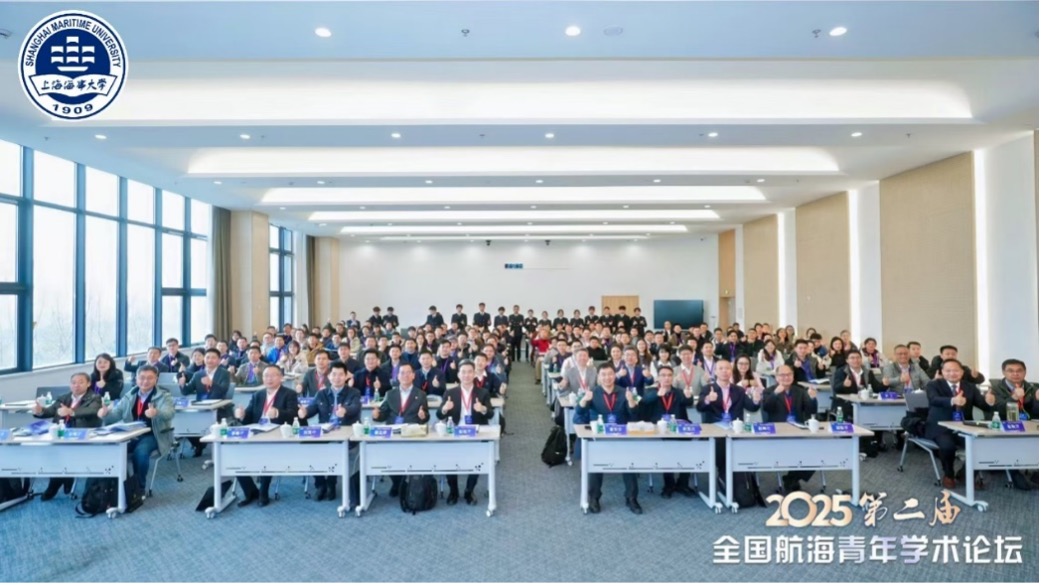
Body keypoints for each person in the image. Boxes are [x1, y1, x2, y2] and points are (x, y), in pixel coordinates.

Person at [573, 363, 643, 514]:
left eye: (610, 374)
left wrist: (631, 402)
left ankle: (631, 498)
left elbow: (634, 416)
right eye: (603, 375)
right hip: (599, 437)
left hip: (621, 436)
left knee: (629, 465)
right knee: (595, 466)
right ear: (598, 377)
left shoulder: (624, 392)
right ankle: (594, 498)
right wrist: (584, 400)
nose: (607, 378)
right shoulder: (592, 392)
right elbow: (579, 413)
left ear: (614, 375)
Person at [97, 365, 176, 495]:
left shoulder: (164, 396)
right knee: (111, 450)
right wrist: (105, 414)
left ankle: (139, 489)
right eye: (142, 378)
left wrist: (156, 412)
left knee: (141, 453)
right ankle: (115, 487)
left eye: (150, 378)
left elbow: (169, 413)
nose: (145, 381)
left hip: (153, 435)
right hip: (131, 434)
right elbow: (115, 416)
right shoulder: (129, 395)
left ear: (156, 379)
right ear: (136, 379)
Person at [296, 361, 362, 504]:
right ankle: (321, 484)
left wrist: (345, 410)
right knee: (310, 448)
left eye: (340, 375)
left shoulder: (354, 392)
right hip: (325, 434)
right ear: (329, 377)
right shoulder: (321, 393)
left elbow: (355, 407)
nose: (337, 378)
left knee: (340, 451)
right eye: (334, 374)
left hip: (345, 435)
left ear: (346, 376)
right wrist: (304, 412)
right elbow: (312, 409)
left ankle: (332, 483)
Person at [233, 366, 299, 507]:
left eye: (273, 375)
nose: (269, 379)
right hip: (258, 433)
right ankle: (250, 492)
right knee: (235, 454)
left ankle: (263, 492)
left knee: (266, 453)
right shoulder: (258, 395)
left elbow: (294, 415)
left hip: (279, 435)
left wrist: (278, 413)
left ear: (281, 377)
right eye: (266, 376)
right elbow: (249, 418)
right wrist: (242, 415)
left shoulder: (289, 394)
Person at [32, 373, 102, 500]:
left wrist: (71, 411)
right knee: (49, 450)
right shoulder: (63, 398)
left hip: (82, 436)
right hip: (61, 435)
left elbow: (91, 411)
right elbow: (50, 411)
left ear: (88, 384)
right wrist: (40, 411)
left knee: (62, 451)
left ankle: (56, 482)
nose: (76, 385)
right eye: (73, 382)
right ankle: (63, 477)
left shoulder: (95, 398)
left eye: (81, 382)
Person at [439, 360, 494, 505]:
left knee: (477, 462)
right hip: (454, 432)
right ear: (458, 374)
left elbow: (490, 414)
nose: (466, 375)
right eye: (463, 372)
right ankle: (453, 491)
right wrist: (445, 408)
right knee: (450, 461)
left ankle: (469, 491)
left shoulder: (483, 392)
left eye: (470, 372)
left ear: (474, 374)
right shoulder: (450, 393)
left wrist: (482, 409)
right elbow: (439, 414)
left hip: (475, 433)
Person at [371, 363, 430, 497]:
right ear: (397, 376)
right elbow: (383, 413)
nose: (405, 375)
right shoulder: (390, 394)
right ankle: (397, 482)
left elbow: (425, 417)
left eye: (408, 372)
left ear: (413, 375)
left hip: (412, 433)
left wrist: (423, 416)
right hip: (393, 433)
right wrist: (377, 415)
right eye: (402, 373)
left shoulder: (420, 394)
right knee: (389, 458)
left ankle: (409, 482)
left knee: (412, 458)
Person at [761, 365, 819, 493]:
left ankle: (791, 478)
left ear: (793, 376)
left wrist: (812, 398)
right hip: (777, 434)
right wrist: (775, 394)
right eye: (782, 375)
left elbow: (811, 410)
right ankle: (792, 480)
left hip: (797, 432)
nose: (786, 377)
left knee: (816, 453)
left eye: (789, 374)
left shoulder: (800, 391)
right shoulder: (769, 391)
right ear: (776, 377)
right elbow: (766, 408)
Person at [642, 365, 696, 498]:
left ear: (673, 377)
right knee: (666, 450)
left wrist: (689, 396)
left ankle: (683, 483)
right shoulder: (651, 391)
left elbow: (688, 402)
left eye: (669, 375)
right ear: (658, 378)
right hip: (660, 432)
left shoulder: (678, 392)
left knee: (689, 450)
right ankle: (669, 484)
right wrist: (657, 395)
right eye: (663, 375)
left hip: (679, 430)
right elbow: (643, 403)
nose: (666, 378)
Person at [986, 358, 1040, 489]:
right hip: (1003, 427)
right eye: (1011, 371)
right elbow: (997, 410)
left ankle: (1036, 473)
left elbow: (1036, 413)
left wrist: (1038, 401)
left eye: (1019, 371)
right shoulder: (994, 389)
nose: (1015, 374)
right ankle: (1015, 473)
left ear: (1025, 372)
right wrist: (1014, 398)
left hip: (1027, 427)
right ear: (1003, 372)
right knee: (1011, 441)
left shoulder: (1033, 388)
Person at [179, 348, 233, 456]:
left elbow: (223, 390)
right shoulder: (198, 374)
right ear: (204, 359)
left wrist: (212, 383)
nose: (210, 360)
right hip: (201, 409)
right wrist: (182, 384)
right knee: (185, 424)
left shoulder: (224, 373)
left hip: (219, 409)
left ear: (218, 360)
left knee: (221, 426)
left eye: (213, 358)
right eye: (208, 357)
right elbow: (186, 391)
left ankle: (221, 449)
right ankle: (198, 445)